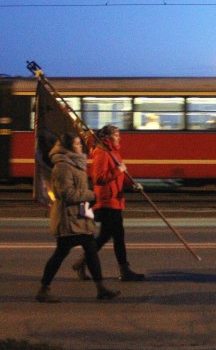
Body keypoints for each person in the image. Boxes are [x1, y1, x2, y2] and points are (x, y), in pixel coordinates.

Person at [36, 132, 120, 303]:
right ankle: (43, 289)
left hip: (80, 215)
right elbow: (66, 194)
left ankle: (100, 288)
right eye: (76, 144)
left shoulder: (75, 163)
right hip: (69, 218)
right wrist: (90, 195)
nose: (80, 147)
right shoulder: (63, 167)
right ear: (68, 147)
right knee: (60, 253)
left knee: (90, 251)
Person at [72, 125, 145, 282]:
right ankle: (124, 270)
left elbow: (121, 174)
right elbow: (98, 178)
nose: (119, 138)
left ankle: (82, 262)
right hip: (106, 202)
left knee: (106, 236)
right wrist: (118, 170)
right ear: (107, 138)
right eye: (116, 135)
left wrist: (131, 184)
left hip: (115, 201)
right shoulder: (102, 153)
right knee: (117, 236)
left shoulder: (113, 152)